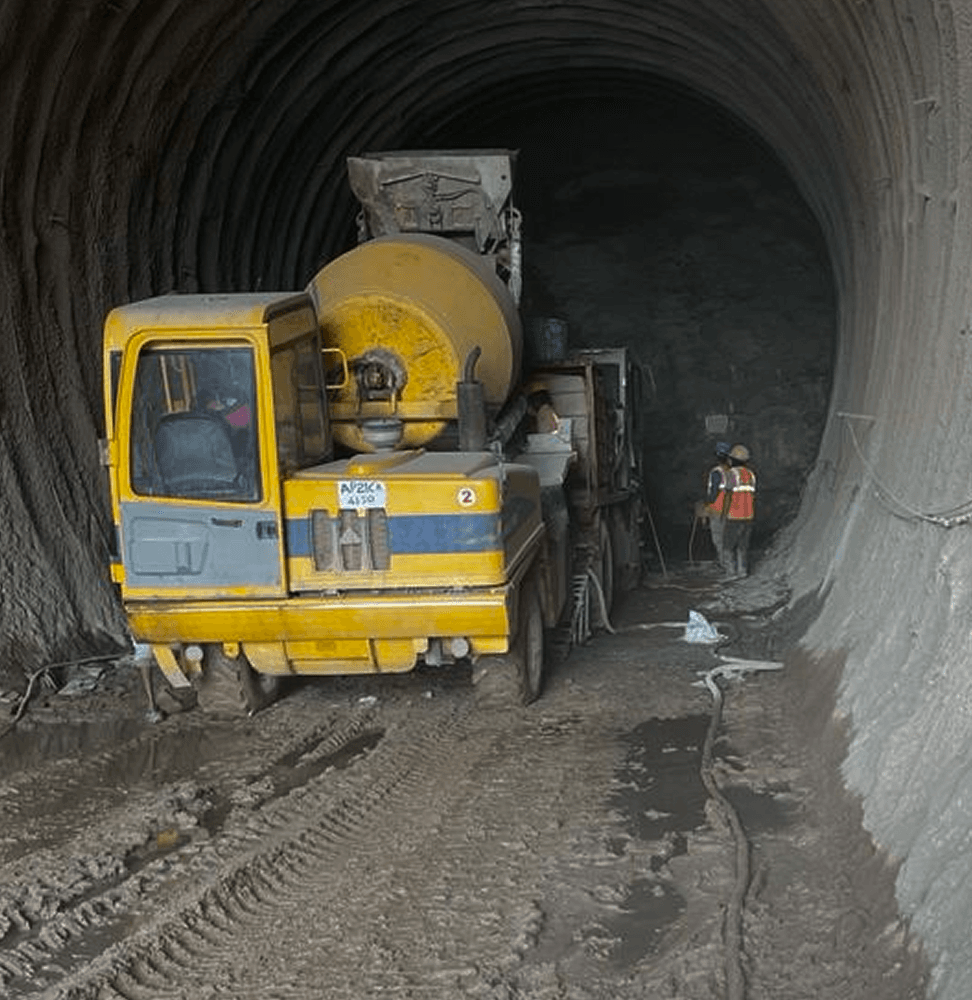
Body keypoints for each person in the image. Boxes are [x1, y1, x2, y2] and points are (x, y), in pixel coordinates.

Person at [722, 443, 756, 579]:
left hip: (734, 515)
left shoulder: (731, 474)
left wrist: (723, 513)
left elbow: (727, 494)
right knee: (743, 546)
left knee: (728, 545)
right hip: (748, 516)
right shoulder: (751, 474)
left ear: (733, 459)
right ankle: (743, 571)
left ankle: (730, 572)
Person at [702, 442, 732, 573]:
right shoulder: (732, 472)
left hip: (718, 509)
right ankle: (729, 563)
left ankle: (725, 565)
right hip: (730, 509)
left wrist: (706, 504)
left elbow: (714, 492)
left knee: (718, 538)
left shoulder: (716, 472)